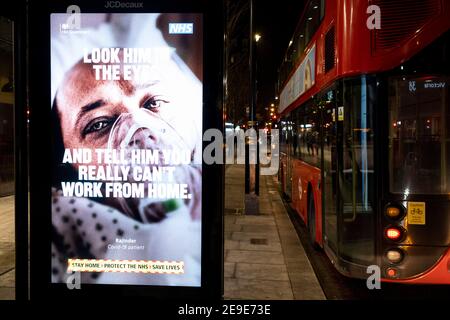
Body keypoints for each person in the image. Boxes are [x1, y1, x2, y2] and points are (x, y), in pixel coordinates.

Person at [50, 14, 202, 286]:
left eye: (153, 103)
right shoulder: (65, 225)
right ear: (69, 158)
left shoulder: (198, 186)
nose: (141, 133)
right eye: (100, 124)